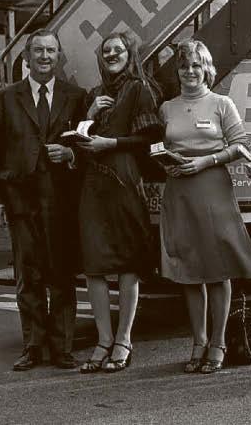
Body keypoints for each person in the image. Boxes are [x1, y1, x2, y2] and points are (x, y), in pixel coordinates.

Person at [0, 29, 88, 371]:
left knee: (61, 276)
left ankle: (62, 348)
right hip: (20, 200)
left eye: (51, 51)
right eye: (39, 51)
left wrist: (71, 154)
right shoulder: (8, 98)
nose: (45, 56)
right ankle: (33, 346)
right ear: (26, 59)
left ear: (59, 57)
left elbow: (88, 147)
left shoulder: (77, 96)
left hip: (61, 202)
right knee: (27, 277)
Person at [159, 39, 251, 375]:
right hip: (179, 191)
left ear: (207, 69)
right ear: (178, 71)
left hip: (212, 188)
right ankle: (198, 341)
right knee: (189, 269)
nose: (190, 71)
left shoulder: (221, 103)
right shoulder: (167, 107)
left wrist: (204, 162)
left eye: (196, 65)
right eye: (185, 66)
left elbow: (241, 145)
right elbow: (162, 147)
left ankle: (218, 342)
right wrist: (166, 164)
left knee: (217, 266)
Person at [74, 31, 163, 374]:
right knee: (94, 264)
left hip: (124, 178)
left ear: (130, 53)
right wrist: (90, 114)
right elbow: (80, 139)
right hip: (93, 182)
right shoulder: (94, 94)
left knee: (128, 262)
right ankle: (102, 339)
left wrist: (110, 143)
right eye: (106, 50)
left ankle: (123, 339)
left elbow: (150, 137)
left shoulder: (140, 88)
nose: (112, 54)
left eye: (118, 49)